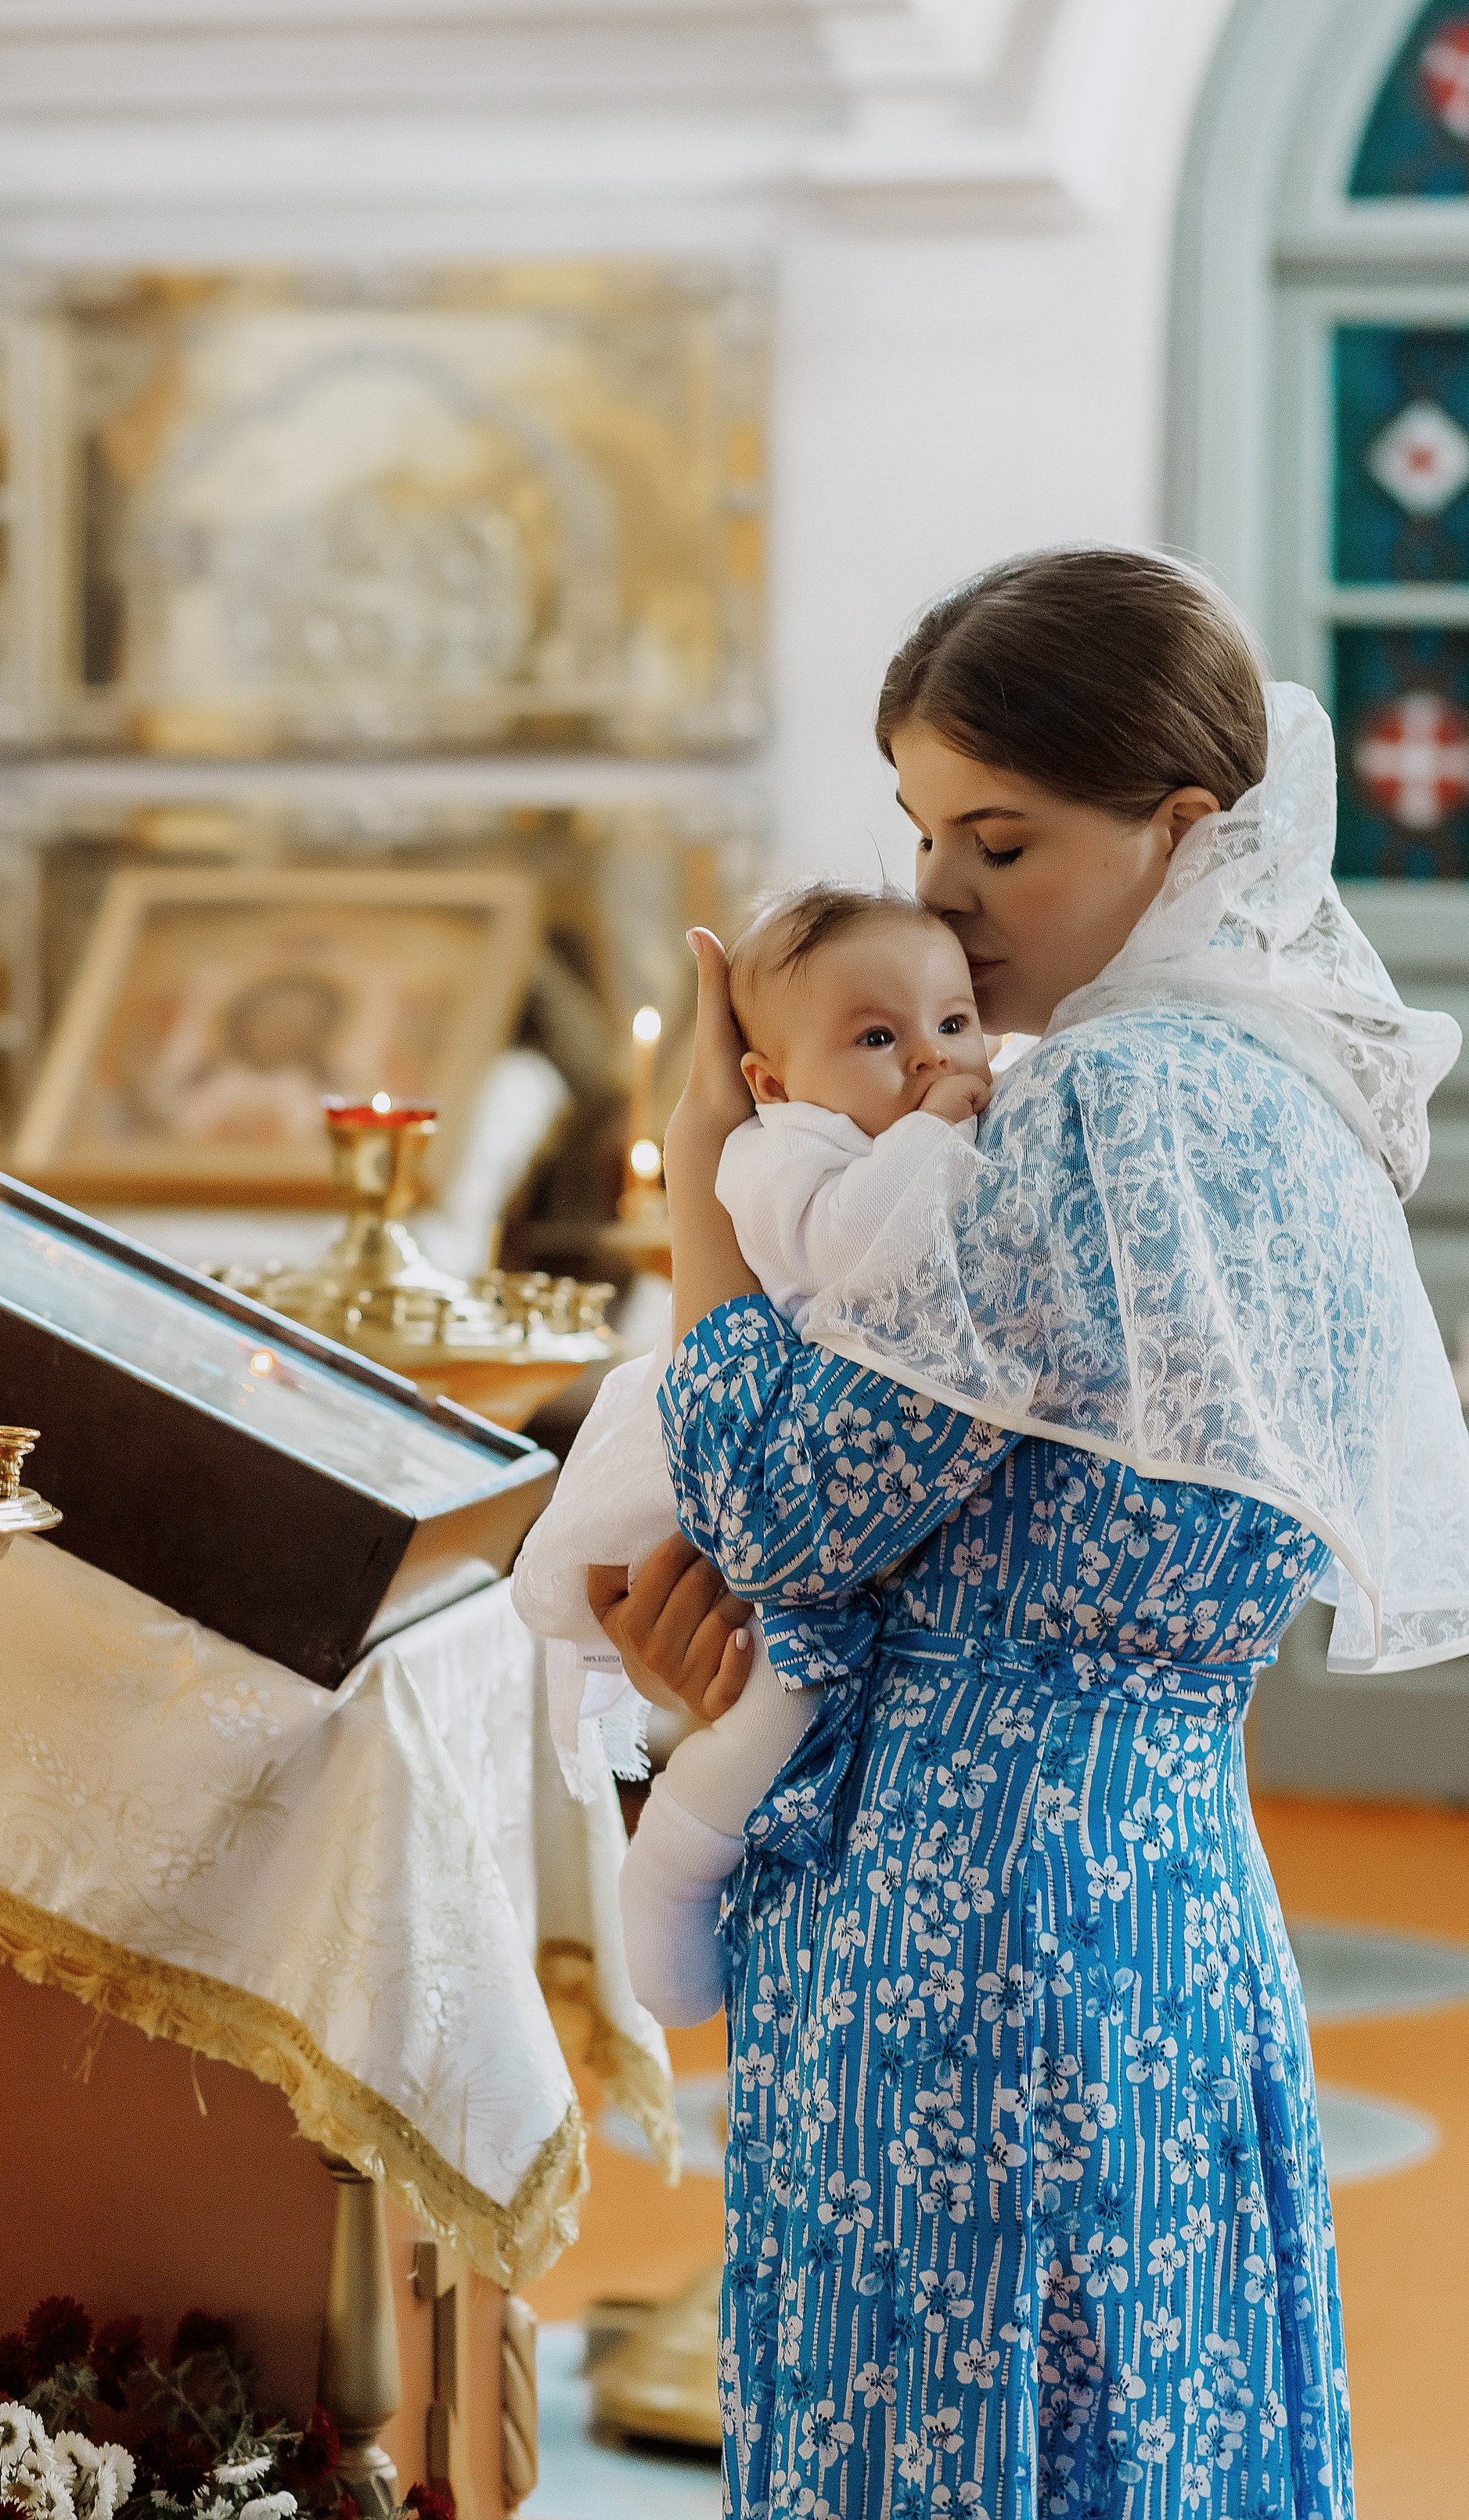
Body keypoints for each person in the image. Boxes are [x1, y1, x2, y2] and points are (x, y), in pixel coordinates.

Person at [590, 546, 1469, 2520]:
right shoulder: (1274, 1088)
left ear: (1178, 831)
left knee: (951, 2436)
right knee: (1139, 2424)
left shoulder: (1104, 1112)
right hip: (1154, 1881)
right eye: (919, 834)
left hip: (963, 1916)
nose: (938, 898)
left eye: (999, 839)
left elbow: (789, 1501)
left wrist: (700, 1212)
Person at [513, 882, 996, 2020]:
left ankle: (686, 1854)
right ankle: (673, 1866)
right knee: (780, 1703)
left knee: (798, 1699)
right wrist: (937, 1129)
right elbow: (849, 1240)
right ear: (773, 1083)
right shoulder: (779, 1155)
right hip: (726, 1438)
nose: (930, 1060)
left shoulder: (929, 1126)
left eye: (955, 1023)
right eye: (878, 1038)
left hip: (814, 1450)